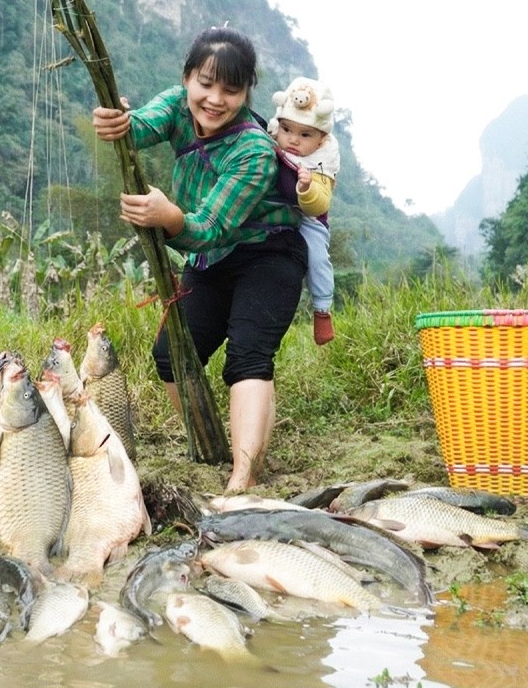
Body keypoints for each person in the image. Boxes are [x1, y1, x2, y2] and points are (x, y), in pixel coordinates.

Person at [90, 26, 307, 492]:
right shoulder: (176, 105)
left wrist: (168, 217)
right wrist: (117, 121)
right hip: (212, 261)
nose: (215, 99)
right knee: (171, 355)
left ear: (247, 93)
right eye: (205, 84)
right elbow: (140, 127)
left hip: (268, 254)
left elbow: (210, 227)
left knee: (248, 356)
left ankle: (243, 479)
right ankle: (214, 447)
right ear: (187, 78)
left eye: (231, 90)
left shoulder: (254, 150)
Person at [268, 77, 340, 346]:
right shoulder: (269, 142)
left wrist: (307, 188)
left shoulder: (322, 161)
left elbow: (321, 204)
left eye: (305, 134)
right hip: (272, 211)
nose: (293, 140)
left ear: (321, 140)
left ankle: (322, 309)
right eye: (287, 129)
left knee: (318, 258)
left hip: (308, 219)